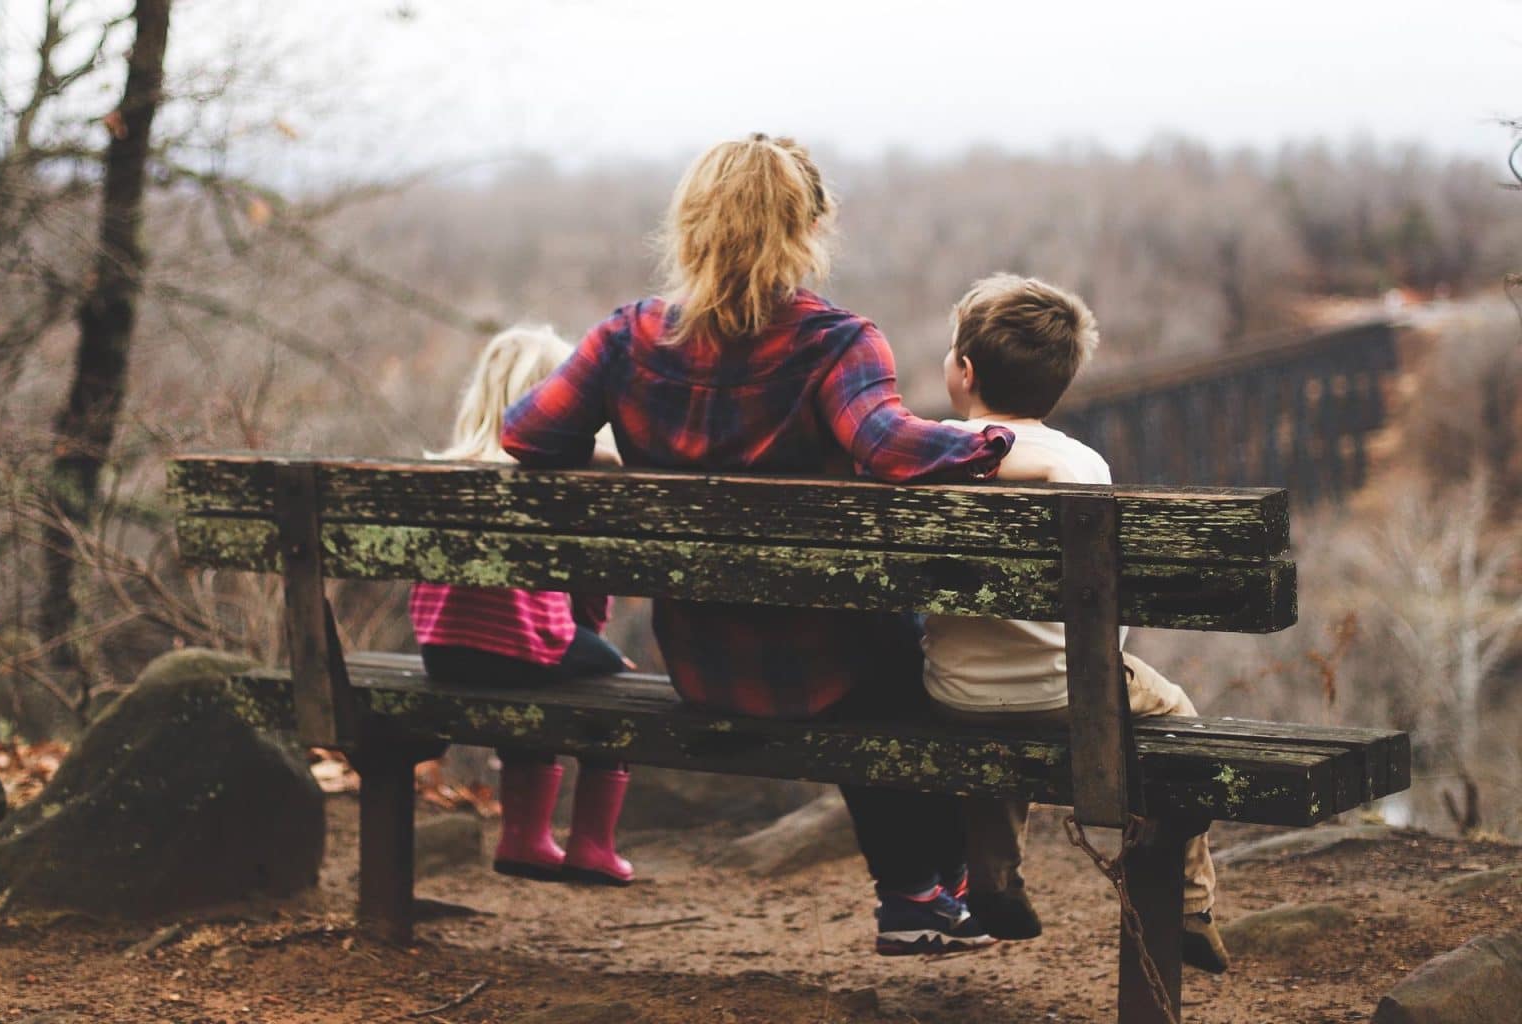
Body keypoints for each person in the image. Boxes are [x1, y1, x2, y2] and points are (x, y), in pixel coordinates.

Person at [502, 134, 1016, 955]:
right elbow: (888, 446)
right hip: (827, 670)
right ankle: (926, 890)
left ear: (691, 225)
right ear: (810, 227)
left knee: (880, 649)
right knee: (911, 655)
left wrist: (604, 452)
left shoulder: (625, 339)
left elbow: (525, 435)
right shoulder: (836, 343)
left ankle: (928, 894)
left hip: (704, 665)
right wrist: (993, 441)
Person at [922, 272, 1230, 973]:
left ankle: (994, 879)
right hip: (1072, 690)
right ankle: (1188, 902)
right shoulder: (1082, 465)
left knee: (995, 722)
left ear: (964, 372)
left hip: (955, 692)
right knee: (1176, 715)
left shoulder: (928, 454)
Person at [410, 325, 636, 886]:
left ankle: (525, 838)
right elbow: (586, 588)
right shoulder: (552, 479)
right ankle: (590, 846)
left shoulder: (446, 472)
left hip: (442, 652)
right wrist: (592, 639)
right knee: (616, 686)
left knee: (538, 669)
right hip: (520, 649)